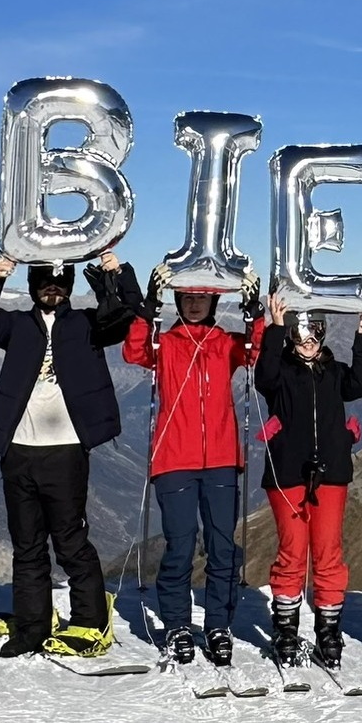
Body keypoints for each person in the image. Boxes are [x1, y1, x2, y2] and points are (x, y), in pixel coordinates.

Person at [0, 250, 141, 659]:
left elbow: (127, 312)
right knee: (26, 545)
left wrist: (118, 270)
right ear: (32, 286)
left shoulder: (86, 323)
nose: (53, 288)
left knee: (70, 541)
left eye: (61, 283)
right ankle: (31, 627)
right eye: (45, 281)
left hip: (66, 451)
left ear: (70, 286)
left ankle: (90, 623)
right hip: (18, 450)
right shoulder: (17, 325)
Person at [122, 268, 266, 666]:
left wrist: (256, 312)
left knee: (223, 547)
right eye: (187, 297)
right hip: (174, 460)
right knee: (180, 546)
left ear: (215, 302)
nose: (196, 302)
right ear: (178, 301)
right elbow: (134, 351)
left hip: (221, 460)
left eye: (203, 297)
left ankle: (218, 625)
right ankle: (177, 626)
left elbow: (256, 351)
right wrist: (147, 308)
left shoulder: (224, 343)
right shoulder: (166, 343)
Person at [252, 295, 362, 669]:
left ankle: (328, 635)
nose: (309, 340)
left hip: (332, 474)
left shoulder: (334, 372)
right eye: (301, 332)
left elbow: (361, 383)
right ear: (291, 335)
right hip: (288, 473)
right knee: (292, 553)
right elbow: (264, 377)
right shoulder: (281, 373)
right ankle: (286, 633)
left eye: (315, 332)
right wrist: (273, 328)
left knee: (328, 555)